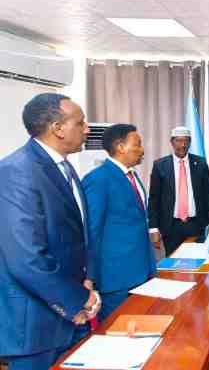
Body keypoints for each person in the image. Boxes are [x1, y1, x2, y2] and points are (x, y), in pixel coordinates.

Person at [0, 93, 100, 370]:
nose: (87, 129)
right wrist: (77, 300)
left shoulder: (65, 167)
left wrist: (87, 280)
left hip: (73, 312)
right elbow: (26, 259)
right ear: (58, 129)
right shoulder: (16, 171)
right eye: (80, 123)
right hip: (36, 326)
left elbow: (79, 235)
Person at [83, 124, 156, 322]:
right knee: (117, 331)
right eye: (137, 144)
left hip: (141, 271)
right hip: (115, 278)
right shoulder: (98, 179)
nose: (142, 149)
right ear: (120, 147)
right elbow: (92, 231)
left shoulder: (132, 175)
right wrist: (91, 277)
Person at [148, 126, 209, 256]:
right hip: (170, 226)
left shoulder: (200, 163)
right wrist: (153, 228)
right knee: (173, 261)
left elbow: (208, 194)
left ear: (190, 142)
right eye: (179, 141)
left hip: (196, 224)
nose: (183, 145)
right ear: (172, 142)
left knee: (197, 261)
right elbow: (154, 199)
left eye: (186, 141)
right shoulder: (160, 165)